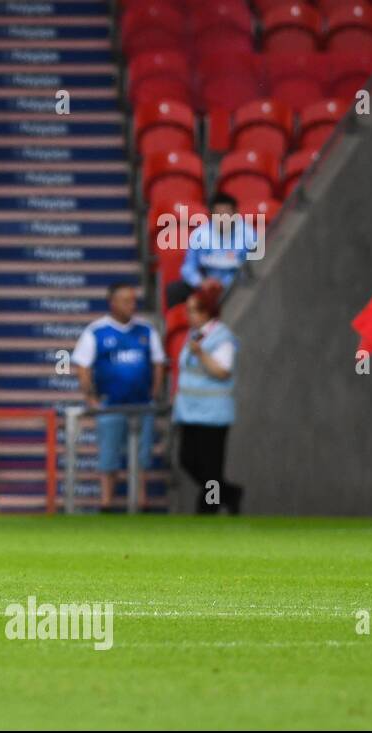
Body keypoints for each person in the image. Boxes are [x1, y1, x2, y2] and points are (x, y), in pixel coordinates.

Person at [71, 282, 167, 511]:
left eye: (133, 300)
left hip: (142, 404)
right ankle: (106, 502)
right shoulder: (96, 331)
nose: (131, 305)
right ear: (112, 303)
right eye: (125, 301)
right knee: (109, 454)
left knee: (142, 455)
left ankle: (142, 501)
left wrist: (154, 391)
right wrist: (91, 398)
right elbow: (82, 366)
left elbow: (158, 363)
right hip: (110, 404)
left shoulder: (146, 330)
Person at [172, 281, 243, 514]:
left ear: (207, 312)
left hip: (213, 413)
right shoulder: (193, 335)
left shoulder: (221, 338)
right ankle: (229, 494)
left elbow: (222, 371)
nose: (188, 315)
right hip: (190, 411)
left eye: (193, 310)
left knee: (211, 468)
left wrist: (202, 354)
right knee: (188, 460)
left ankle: (208, 509)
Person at [166, 192, 257, 309]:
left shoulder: (249, 236)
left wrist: (224, 284)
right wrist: (201, 282)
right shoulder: (199, 235)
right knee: (174, 290)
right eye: (218, 214)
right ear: (211, 215)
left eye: (227, 214)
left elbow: (252, 270)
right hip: (206, 285)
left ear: (235, 214)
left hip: (235, 286)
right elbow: (188, 267)